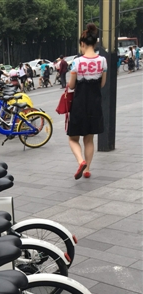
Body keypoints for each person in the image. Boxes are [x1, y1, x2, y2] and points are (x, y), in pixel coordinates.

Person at [67, 23, 107, 180]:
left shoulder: (77, 62)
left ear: (82, 44)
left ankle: (80, 161)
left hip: (79, 104)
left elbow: (71, 85)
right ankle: (87, 169)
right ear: (95, 43)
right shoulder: (102, 60)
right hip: (95, 103)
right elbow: (102, 84)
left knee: (73, 138)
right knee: (89, 139)